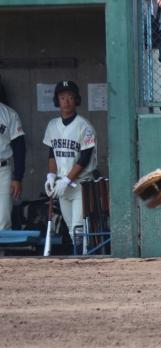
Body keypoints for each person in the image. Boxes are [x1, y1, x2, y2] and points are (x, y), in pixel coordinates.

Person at [43, 81, 97, 253]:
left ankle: (84, 258)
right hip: (62, 184)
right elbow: (52, 153)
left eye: (70, 97)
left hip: (81, 183)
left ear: (77, 100)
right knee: (71, 229)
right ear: (56, 101)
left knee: (79, 229)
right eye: (62, 97)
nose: (66, 101)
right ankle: (78, 261)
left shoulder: (84, 125)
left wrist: (66, 180)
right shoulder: (52, 125)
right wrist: (51, 176)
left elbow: (86, 157)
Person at [0, 101, 26, 231]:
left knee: (3, 222)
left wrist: (18, 177)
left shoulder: (8, 113)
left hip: (2, 170)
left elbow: (19, 148)